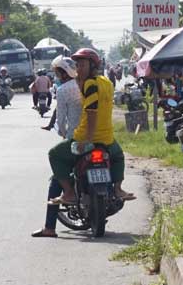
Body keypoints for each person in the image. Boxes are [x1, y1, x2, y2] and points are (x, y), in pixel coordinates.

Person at [47, 48, 134, 205]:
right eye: (77, 66)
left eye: (82, 65)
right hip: (107, 138)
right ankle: (118, 189)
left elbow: (92, 113)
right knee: (118, 156)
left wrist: (86, 140)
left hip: (85, 136)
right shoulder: (106, 82)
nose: (78, 69)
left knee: (54, 154)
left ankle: (68, 193)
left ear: (92, 66)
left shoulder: (90, 84)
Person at [33, 56, 81, 238]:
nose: (56, 75)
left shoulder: (63, 90)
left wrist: (63, 133)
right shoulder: (86, 85)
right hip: (99, 137)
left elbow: (61, 120)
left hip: (75, 139)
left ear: (62, 72)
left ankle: (50, 227)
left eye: (57, 72)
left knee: (56, 180)